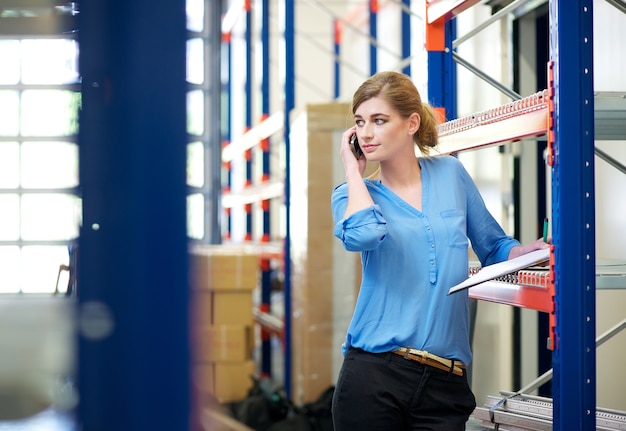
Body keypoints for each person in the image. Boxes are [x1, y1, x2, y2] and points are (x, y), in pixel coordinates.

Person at [330, 71, 548, 431]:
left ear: (411, 122)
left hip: (445, 384)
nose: (366, 133)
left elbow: (493, 246)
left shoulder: (451, 174)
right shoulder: (351, 195)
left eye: (379, 120)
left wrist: (528, 252)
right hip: (374, 377)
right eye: (360, 122)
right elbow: (363, 235)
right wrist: (354, 172)